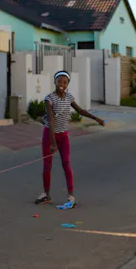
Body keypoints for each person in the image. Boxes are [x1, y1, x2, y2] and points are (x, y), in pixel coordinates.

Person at [35, 71, 105, 210]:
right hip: (50, 136)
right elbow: (50, 119)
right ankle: (46, 194)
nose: (62, 84)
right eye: (59, 81)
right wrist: (53, 143)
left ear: (67, 85)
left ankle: (71, 196)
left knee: (66, 164)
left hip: (63, 136)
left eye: (65, 82)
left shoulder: (69, 97)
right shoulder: (49, 99)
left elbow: (80, 111)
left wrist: (96, 118)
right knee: (47, 165)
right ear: (55, 82)